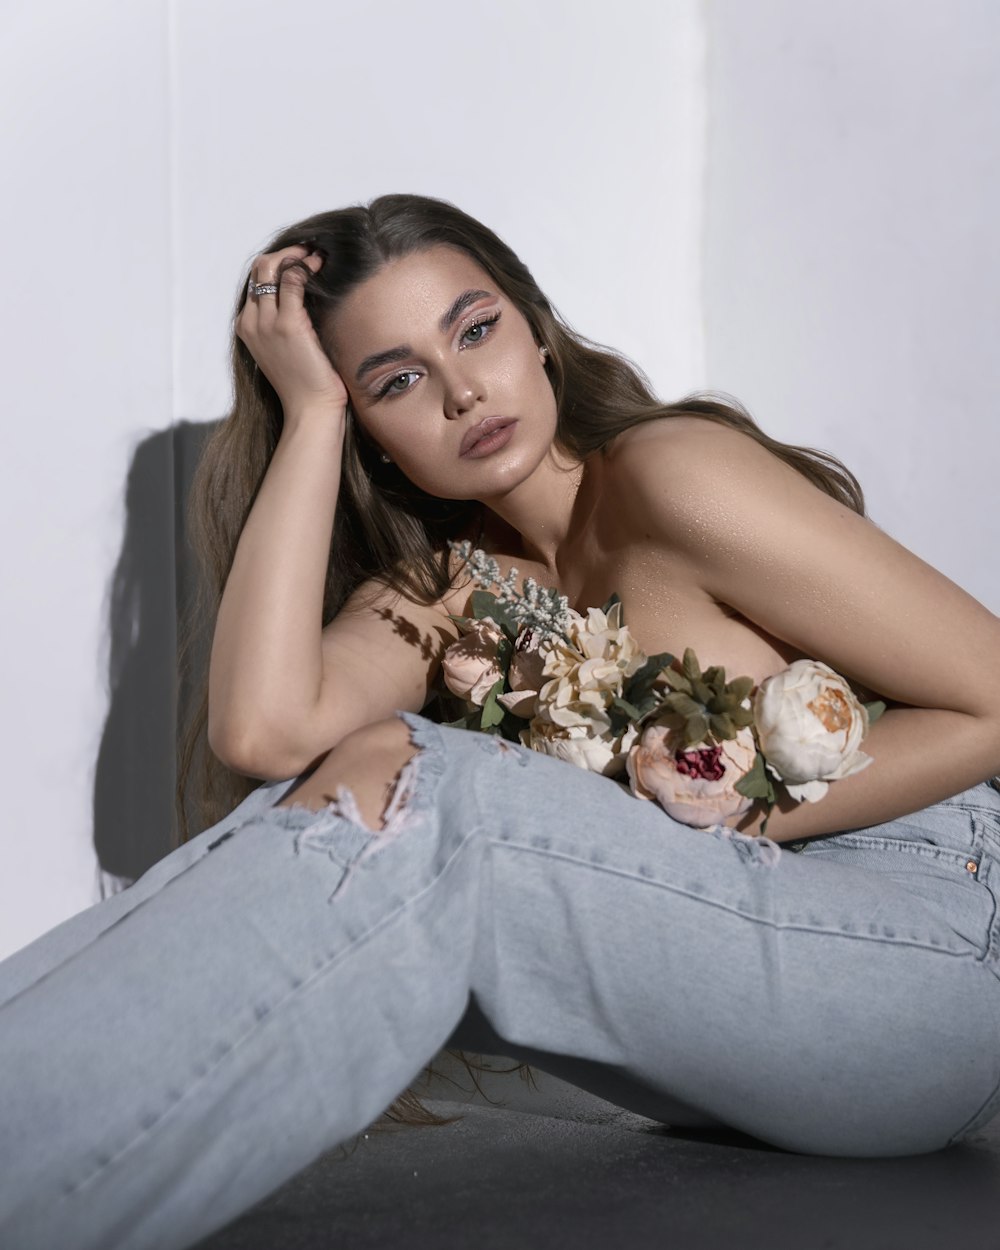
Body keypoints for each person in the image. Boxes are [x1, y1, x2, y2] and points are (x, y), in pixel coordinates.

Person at [2, 192, 1000, 1250]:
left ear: (535, 327)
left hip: (930, 944)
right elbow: (264, 730)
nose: (461, 388)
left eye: (474, 328)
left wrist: (720, 819)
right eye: (393, 381)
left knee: (443, 788)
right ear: (371, 433)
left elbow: (989, 694)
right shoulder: (447, 591)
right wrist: (308, 418)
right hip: (742, 1000)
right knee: (366, 783)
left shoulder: (670, 475)